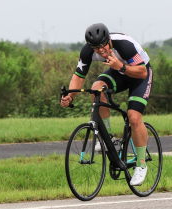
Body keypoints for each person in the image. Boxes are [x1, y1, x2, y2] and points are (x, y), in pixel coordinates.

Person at [60, 23, 153, 186]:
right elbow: (78, 77)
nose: (101, 50)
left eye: (103, 45)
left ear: (109, 40)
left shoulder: (124, 45)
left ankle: (141, 165)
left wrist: (121, 66)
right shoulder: (87, 51)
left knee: (134, 117)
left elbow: (143, 72)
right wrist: (70, 95)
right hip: (119, 72)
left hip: (140, 75)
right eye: (96, 48)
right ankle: (109, 139)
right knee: (97, 89)